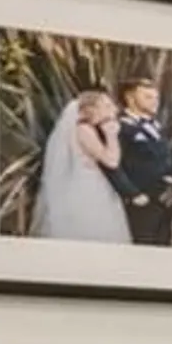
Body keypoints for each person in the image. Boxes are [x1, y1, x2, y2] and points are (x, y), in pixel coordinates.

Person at [31, 88, 130, 242]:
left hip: (83, 182)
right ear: (92, 109)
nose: (114, 110)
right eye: (107, 106)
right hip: (89, 186)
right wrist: (112, 135)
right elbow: (111, 161)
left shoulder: (81, 129)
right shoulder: (84, 130)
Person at [109, 74, 172, 248]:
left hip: (165, 199)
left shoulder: (156, 125)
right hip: (141, 200)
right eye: (147, 97)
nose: (154, 102)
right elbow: (113, 165)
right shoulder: (120, 127)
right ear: (130, 97)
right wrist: (132, 193)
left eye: (156, 97)